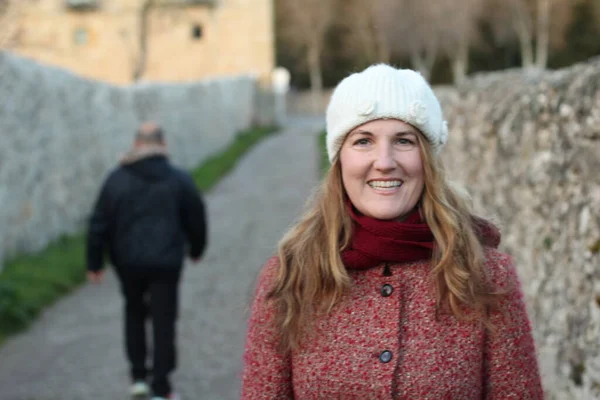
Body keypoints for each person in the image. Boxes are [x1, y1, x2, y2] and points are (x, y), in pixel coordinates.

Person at [241, 64, 543, 399]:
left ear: (427, 159)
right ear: (339, 159)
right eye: (363, 141)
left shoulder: (487, 277)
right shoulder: (289, 278)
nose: (384, 161)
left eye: (403, 141)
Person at [86, 122, 207, 400]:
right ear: (163, 145)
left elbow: (99, 223)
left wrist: (94, 263)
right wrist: (196, 248)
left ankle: (139, 378)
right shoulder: (178, 178)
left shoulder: (116, 179)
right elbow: (196, 216)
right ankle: (161, 387)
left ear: (137, 144)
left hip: (127, 262)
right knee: (164, 319)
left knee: (134, 313)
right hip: (167, 262)